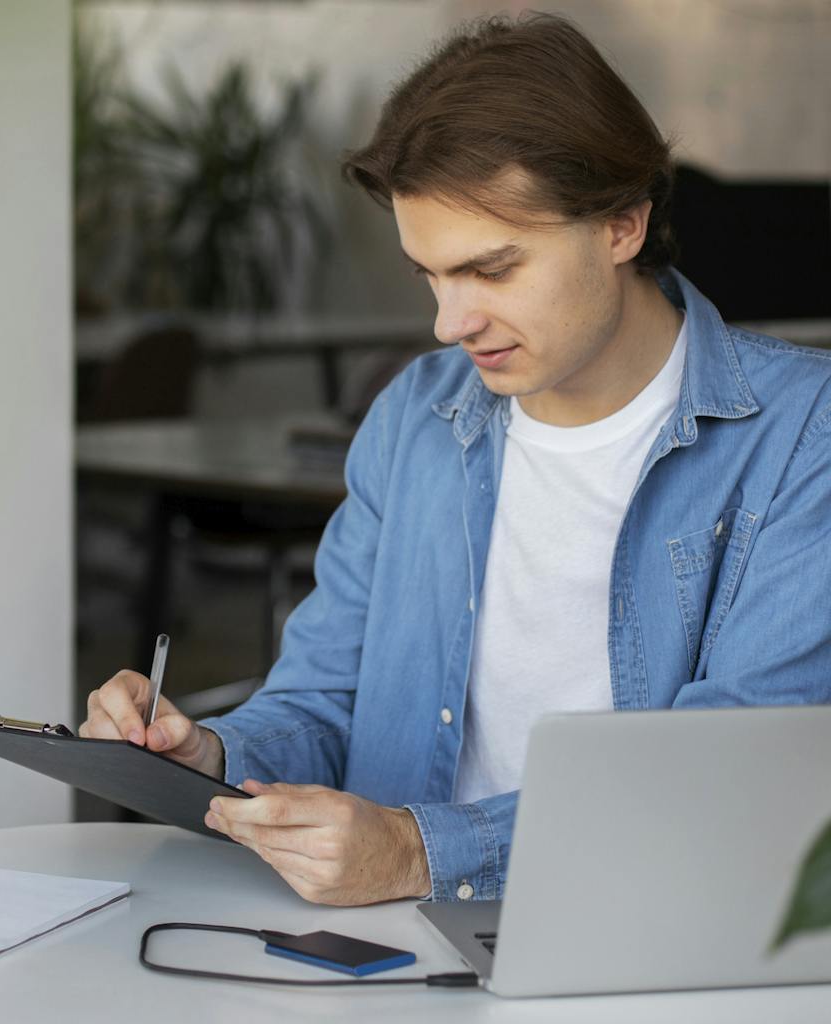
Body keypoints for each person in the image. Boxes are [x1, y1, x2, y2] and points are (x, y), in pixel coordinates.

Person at [79, 13, 831, 906]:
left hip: (646, 925)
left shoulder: (801, 434)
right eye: (430, 275)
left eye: (495, 269)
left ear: (625, 222)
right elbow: (322, 700)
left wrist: (419, 851)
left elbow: (728, 775)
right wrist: (205, 751)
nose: (449, 324)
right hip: (396, 936)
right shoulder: (416, 415)